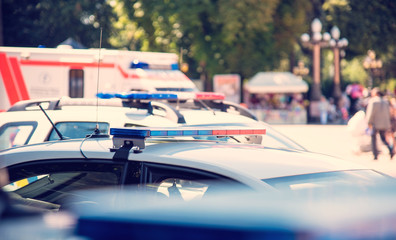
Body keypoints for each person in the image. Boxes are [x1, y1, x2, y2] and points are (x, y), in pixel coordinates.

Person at [365, 88, 394, 160]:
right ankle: (390, 149)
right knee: (383, 139)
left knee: (373, 139)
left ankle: (375, 155)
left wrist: (369, 122)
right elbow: (389, 113)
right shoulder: (385, 102)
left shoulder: (373, 101)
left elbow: (370, 113)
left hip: (375, 123)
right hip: (384, 124)